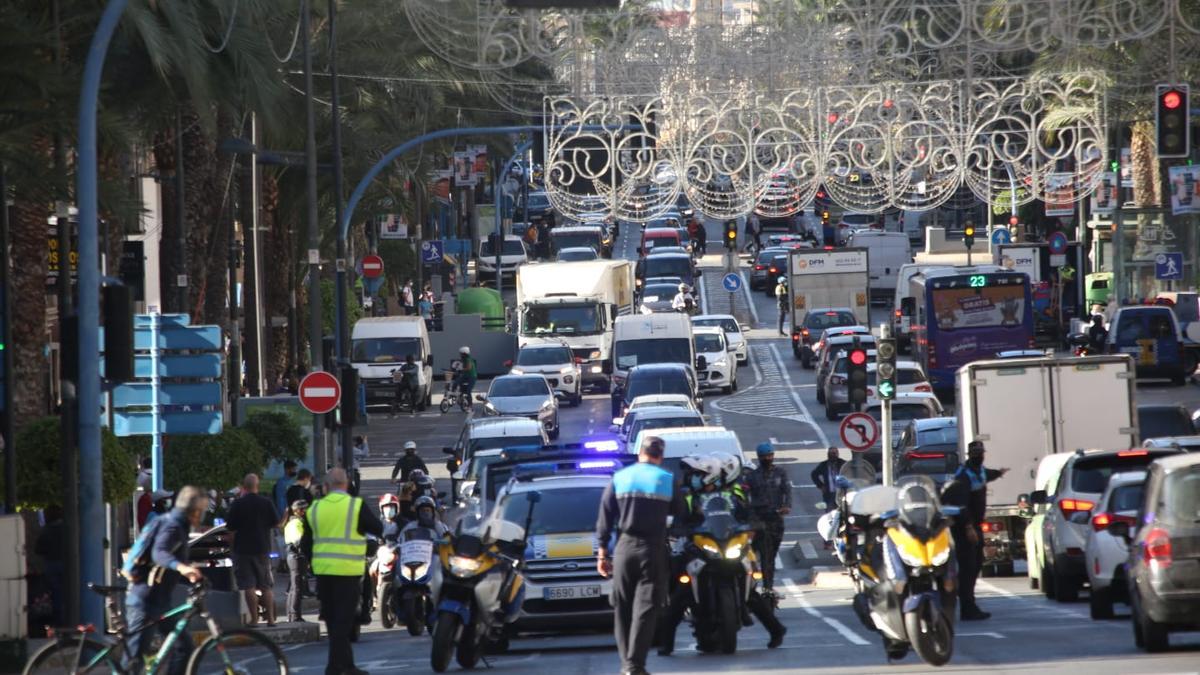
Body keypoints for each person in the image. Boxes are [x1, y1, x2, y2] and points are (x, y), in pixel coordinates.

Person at [657, 455, 785, 654]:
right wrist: (677, 528)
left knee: (751, 592)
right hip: (698, 547)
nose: (693, 478)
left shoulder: (730, 496)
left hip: (727, 545)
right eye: (693, 474)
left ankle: (776, 630)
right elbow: (680, 520)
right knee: (681, 594)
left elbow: (745, 514)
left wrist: (755, 524)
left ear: (711, 476)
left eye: (699, 474)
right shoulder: (690, 497)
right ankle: (667, 643)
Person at [596, 436, 686, 675]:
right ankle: (635, 665)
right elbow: (682, 512)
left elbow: (605, 517)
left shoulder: (620, 477)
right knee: (646, 608)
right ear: (661, 456)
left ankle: (627, 664)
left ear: (640, 454)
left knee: (622, 607)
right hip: (652, 548)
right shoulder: (667, 479)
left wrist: (603, 553)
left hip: (624, 548)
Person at [302, 468, 384, 675]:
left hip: (323, 573)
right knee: (343, 622)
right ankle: (336, 667)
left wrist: (314, 562)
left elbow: (305, 544)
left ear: (326, 487)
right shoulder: (355, 506)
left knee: (332, 620)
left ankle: (345, 666)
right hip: (348, 573)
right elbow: (377, 528)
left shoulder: (315, 508)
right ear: (346, 485)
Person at [124, 487, 207, 675]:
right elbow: (159, 553)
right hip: (144, 601)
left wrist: (193, 571)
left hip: (159, 602)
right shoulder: (173, 526)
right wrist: (182, 568)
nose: (201, 516)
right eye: (201, 510)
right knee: (133, 662)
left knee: (184, 647)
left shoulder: (177, 525)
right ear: (193, 510)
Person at [942, 440, 1007, 621]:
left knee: (976, 565)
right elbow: (961, 503)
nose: (980, 456)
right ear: (970, 455)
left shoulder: (979, 472)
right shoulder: (964, 475)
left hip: (975, 526)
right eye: (977, 453)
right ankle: (967, 607)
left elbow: (988, 474)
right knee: (968, 567)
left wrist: (1000, 473)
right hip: (964, 527)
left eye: (981, 453)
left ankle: (968, 603)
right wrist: (968, 526)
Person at [225, 473, 281, 626]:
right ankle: (270, 619)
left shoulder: (238, 504)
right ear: (257, 485)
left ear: (244, 487)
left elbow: (230, 528)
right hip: (262, 548)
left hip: (243, 550)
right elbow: (276, 523)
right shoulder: (266, 503)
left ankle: (254, 619)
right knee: (265, 586)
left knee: (248, 586)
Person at [744, 442, 791, 592]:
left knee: (772, 553)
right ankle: (764, 585)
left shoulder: (780, 473)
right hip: (759, 520)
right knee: (764, 553)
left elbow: (787, 490)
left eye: (770, 455)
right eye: (765, 456)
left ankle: (768, 585)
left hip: (776, 519)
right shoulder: (752, 476)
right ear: (759, 457)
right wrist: (750, 518)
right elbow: (746, 498)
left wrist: (786, 506)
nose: (768, 458)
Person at [283, 500, 311, 623]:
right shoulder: (297, 523)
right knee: (297, 587)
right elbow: (299, 541)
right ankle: (295, 615)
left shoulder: (290, 522)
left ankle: (291, 614)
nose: (306, 511)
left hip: (292, 556)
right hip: (297, 557)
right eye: (304, 509)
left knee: (294, 587)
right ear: (297, 511)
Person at [810, 447, 846, 512]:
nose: (833, 455)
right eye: (831, 453)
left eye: (835, 453)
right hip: (829, 495)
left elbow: (850, 473)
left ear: (838, 454)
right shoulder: (824, 465)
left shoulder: (842, 463)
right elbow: (814, 474)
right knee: (830, 514)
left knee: (843, 512)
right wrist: (820, 485)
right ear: (828, 454)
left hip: (841, 493)